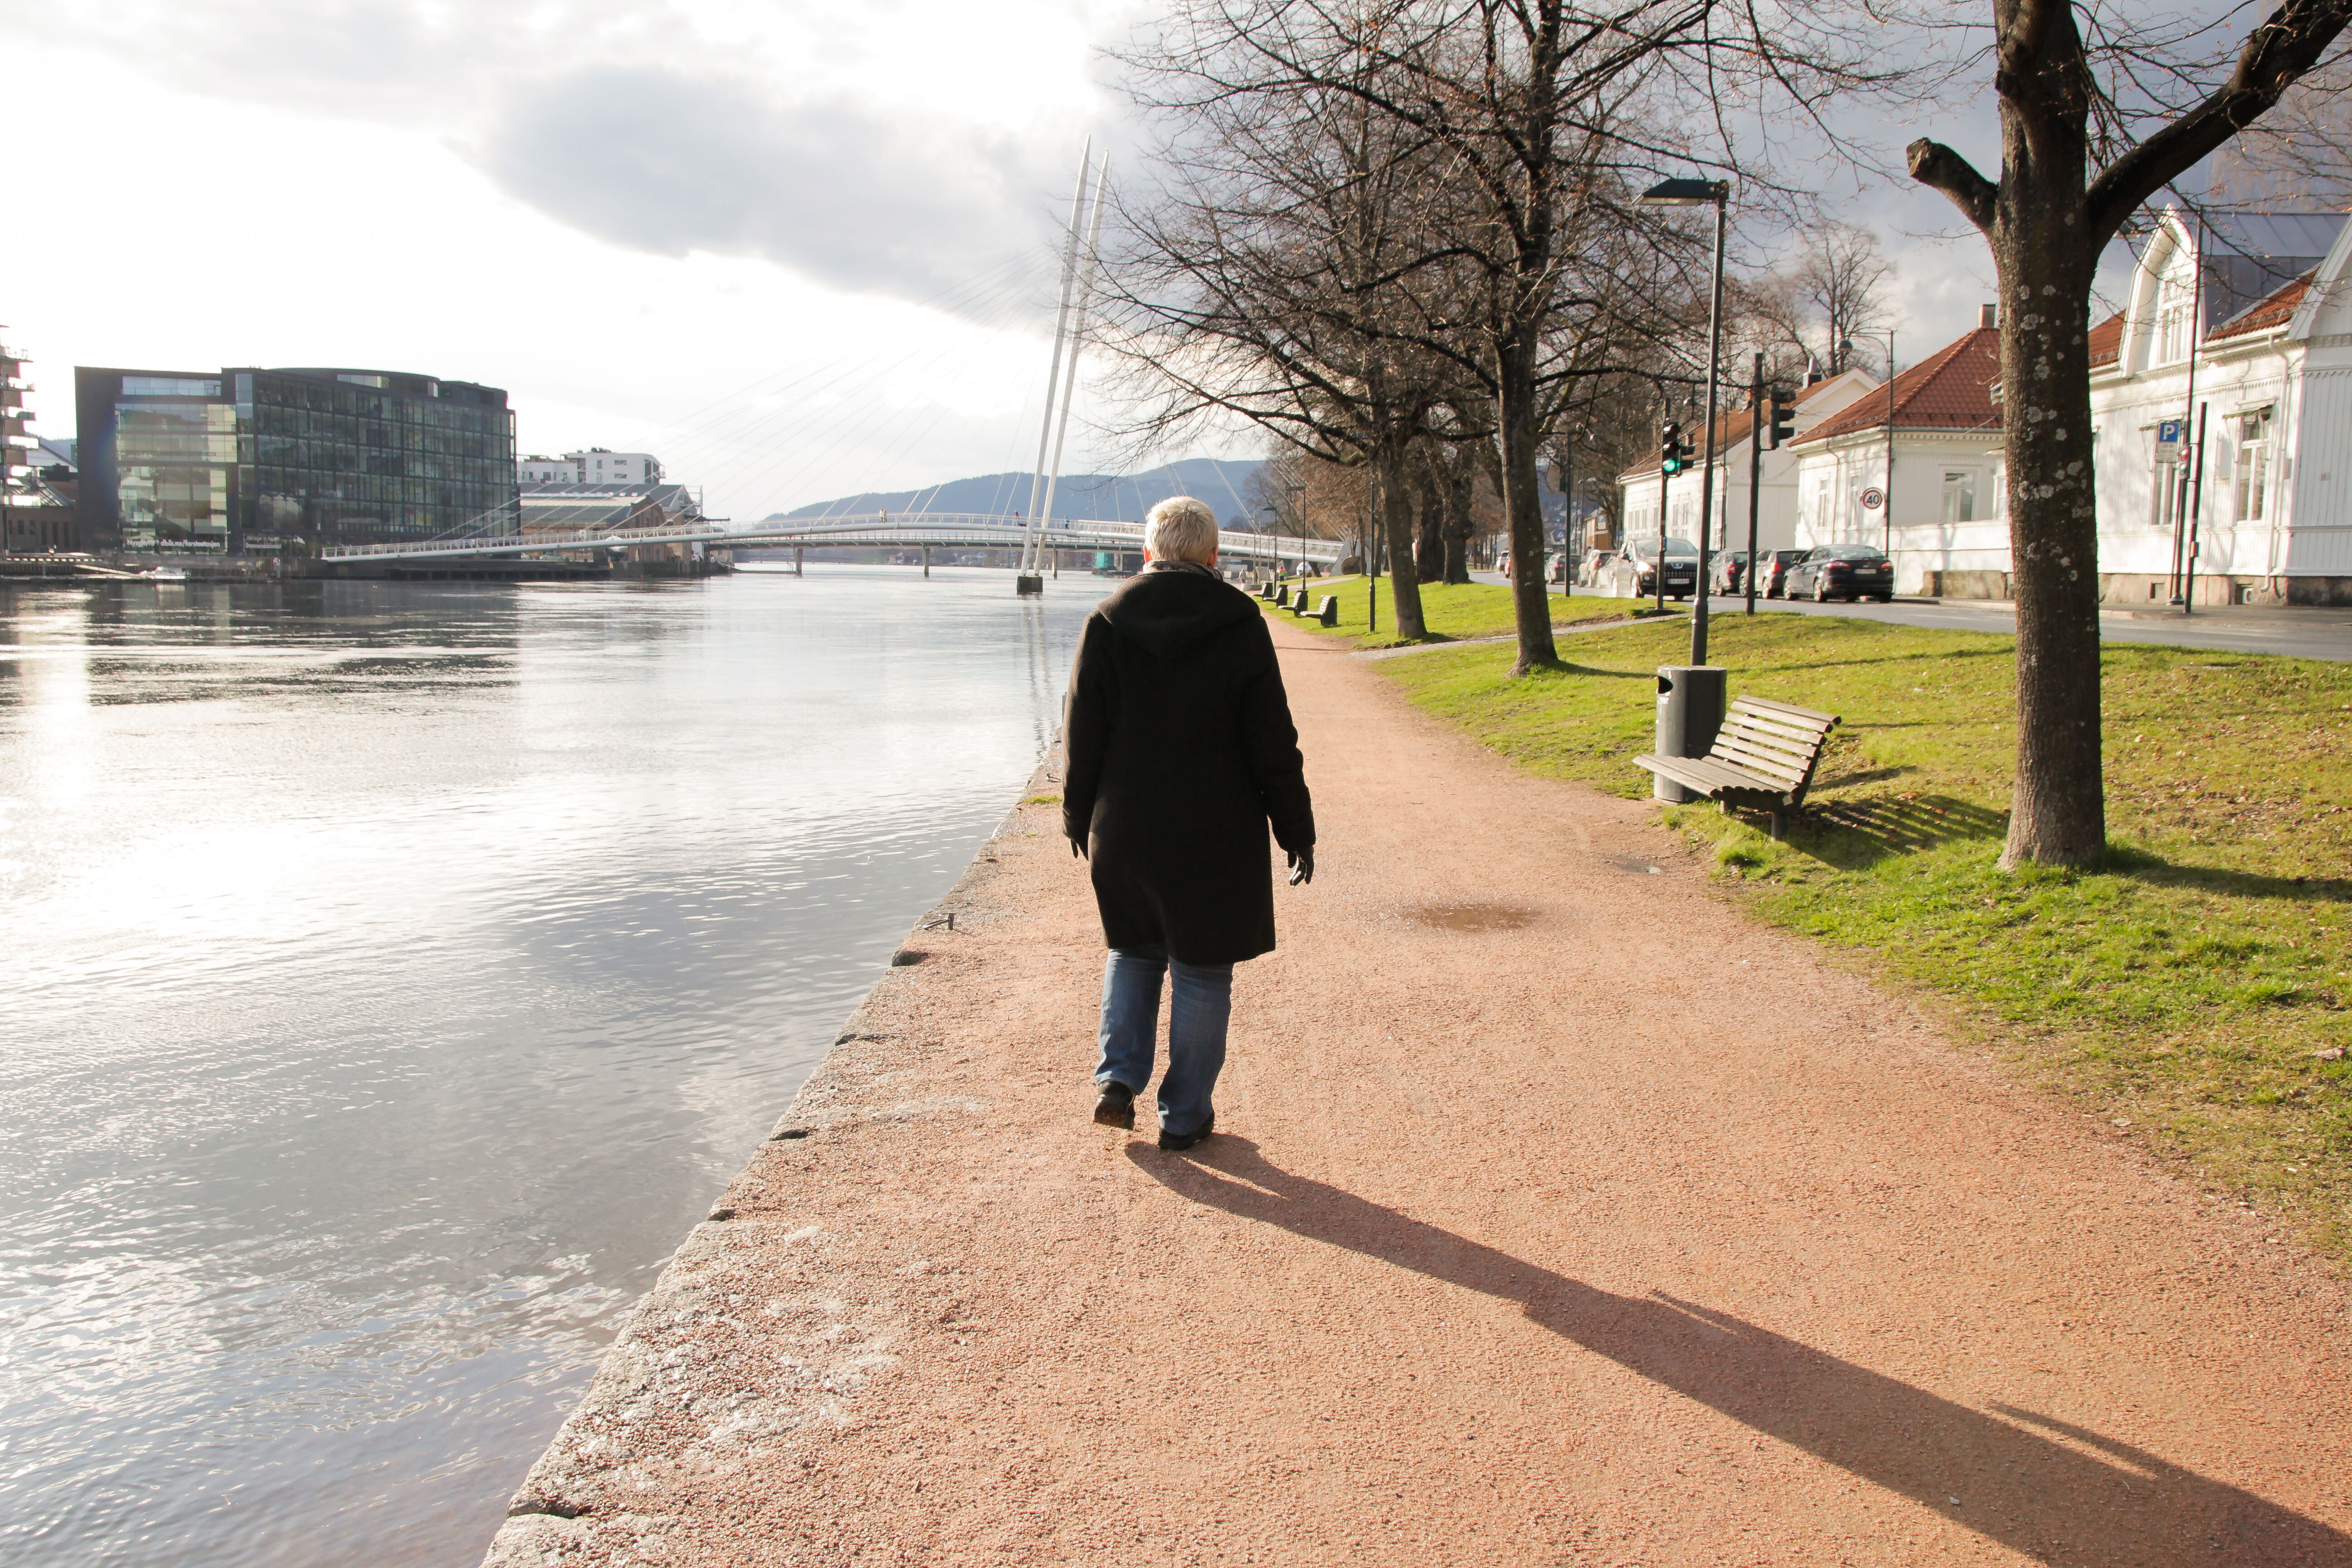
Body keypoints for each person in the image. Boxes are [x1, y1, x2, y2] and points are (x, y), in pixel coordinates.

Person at [1061, 495, 1315, 1152]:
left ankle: (1118, 1083)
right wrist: (1296, 831)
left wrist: (1075, 814)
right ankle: (1184, 1116)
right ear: (1213, 556)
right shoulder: (1240, 625)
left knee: (1133, 950)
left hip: (1127, 830)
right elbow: (1272, 743)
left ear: (1146, 553)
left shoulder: (1106, 622)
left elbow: (1082, 733)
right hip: (1216, 832)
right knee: (1203, 970)